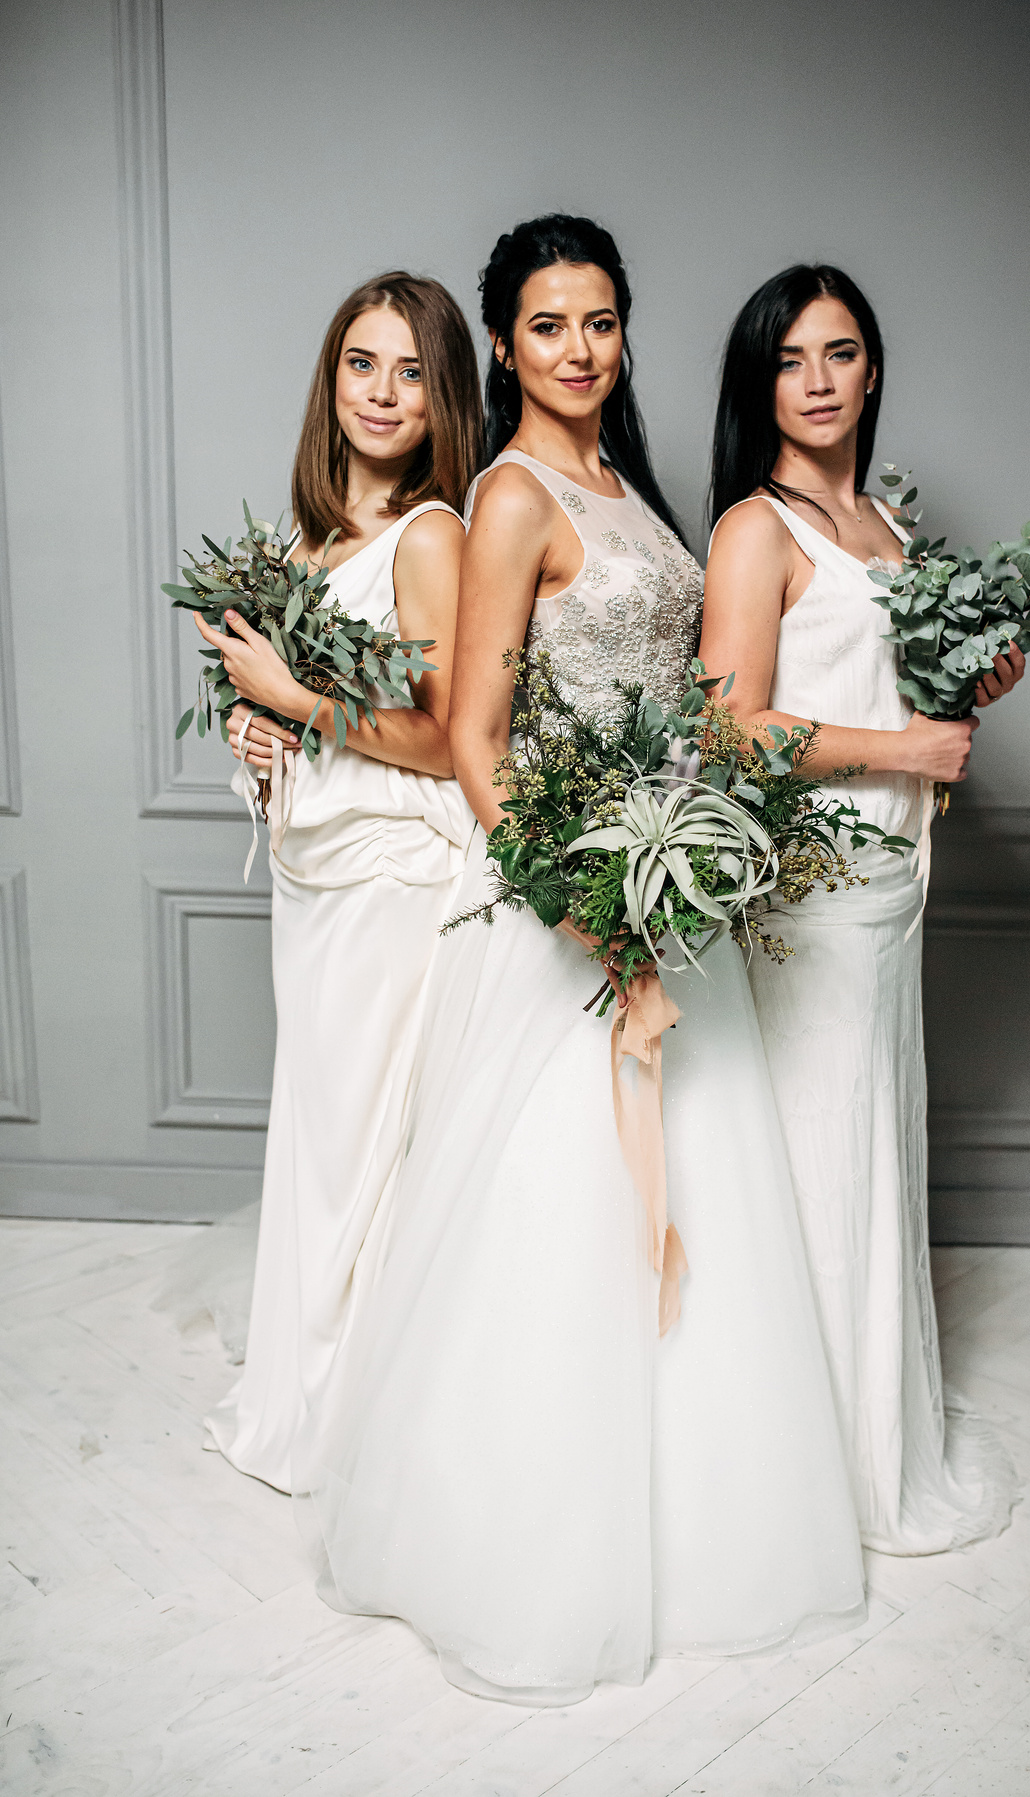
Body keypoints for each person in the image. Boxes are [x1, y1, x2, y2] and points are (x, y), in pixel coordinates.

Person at [292, 216, 866, 1706]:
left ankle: (699, 1522)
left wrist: (682, 850)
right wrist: (578, 905)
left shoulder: (630, 489)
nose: (578, 349)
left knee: (691, 1197)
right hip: (568, 902)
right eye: (547, 325)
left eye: (600, 320)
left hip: (663, 871)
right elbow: (478, 739)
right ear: (505, 343)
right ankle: (529, 1540)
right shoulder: (508, 496)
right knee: (553, 1223)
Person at [700, 263, 1021, 1554]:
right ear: (760, 383)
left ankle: (863, 1430)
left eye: (839, 354)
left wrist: (971, 686)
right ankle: (797, 1468)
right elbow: (729, 732)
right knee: (816, 1159)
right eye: (791, 360)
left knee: (866, 1152)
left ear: (873, 369)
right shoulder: (753, 529)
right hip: (808, 897)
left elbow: (900, 700)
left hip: (893, 893)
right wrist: (908, 749)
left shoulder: (891, 528)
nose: (819, 381)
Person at [195, 272, 481, 1493]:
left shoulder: (432, 537)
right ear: (331, 380)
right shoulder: (299, 546)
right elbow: (294, 726)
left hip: (395, 879)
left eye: (412, 372)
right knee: (322, 1138)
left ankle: (364, 1414)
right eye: (363, 364)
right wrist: (254, 737)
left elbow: (446, 740)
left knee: (374, 1145)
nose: (382, 391)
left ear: (442, 399)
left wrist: (295, 703)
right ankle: (309, 1381)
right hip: (312, 883)